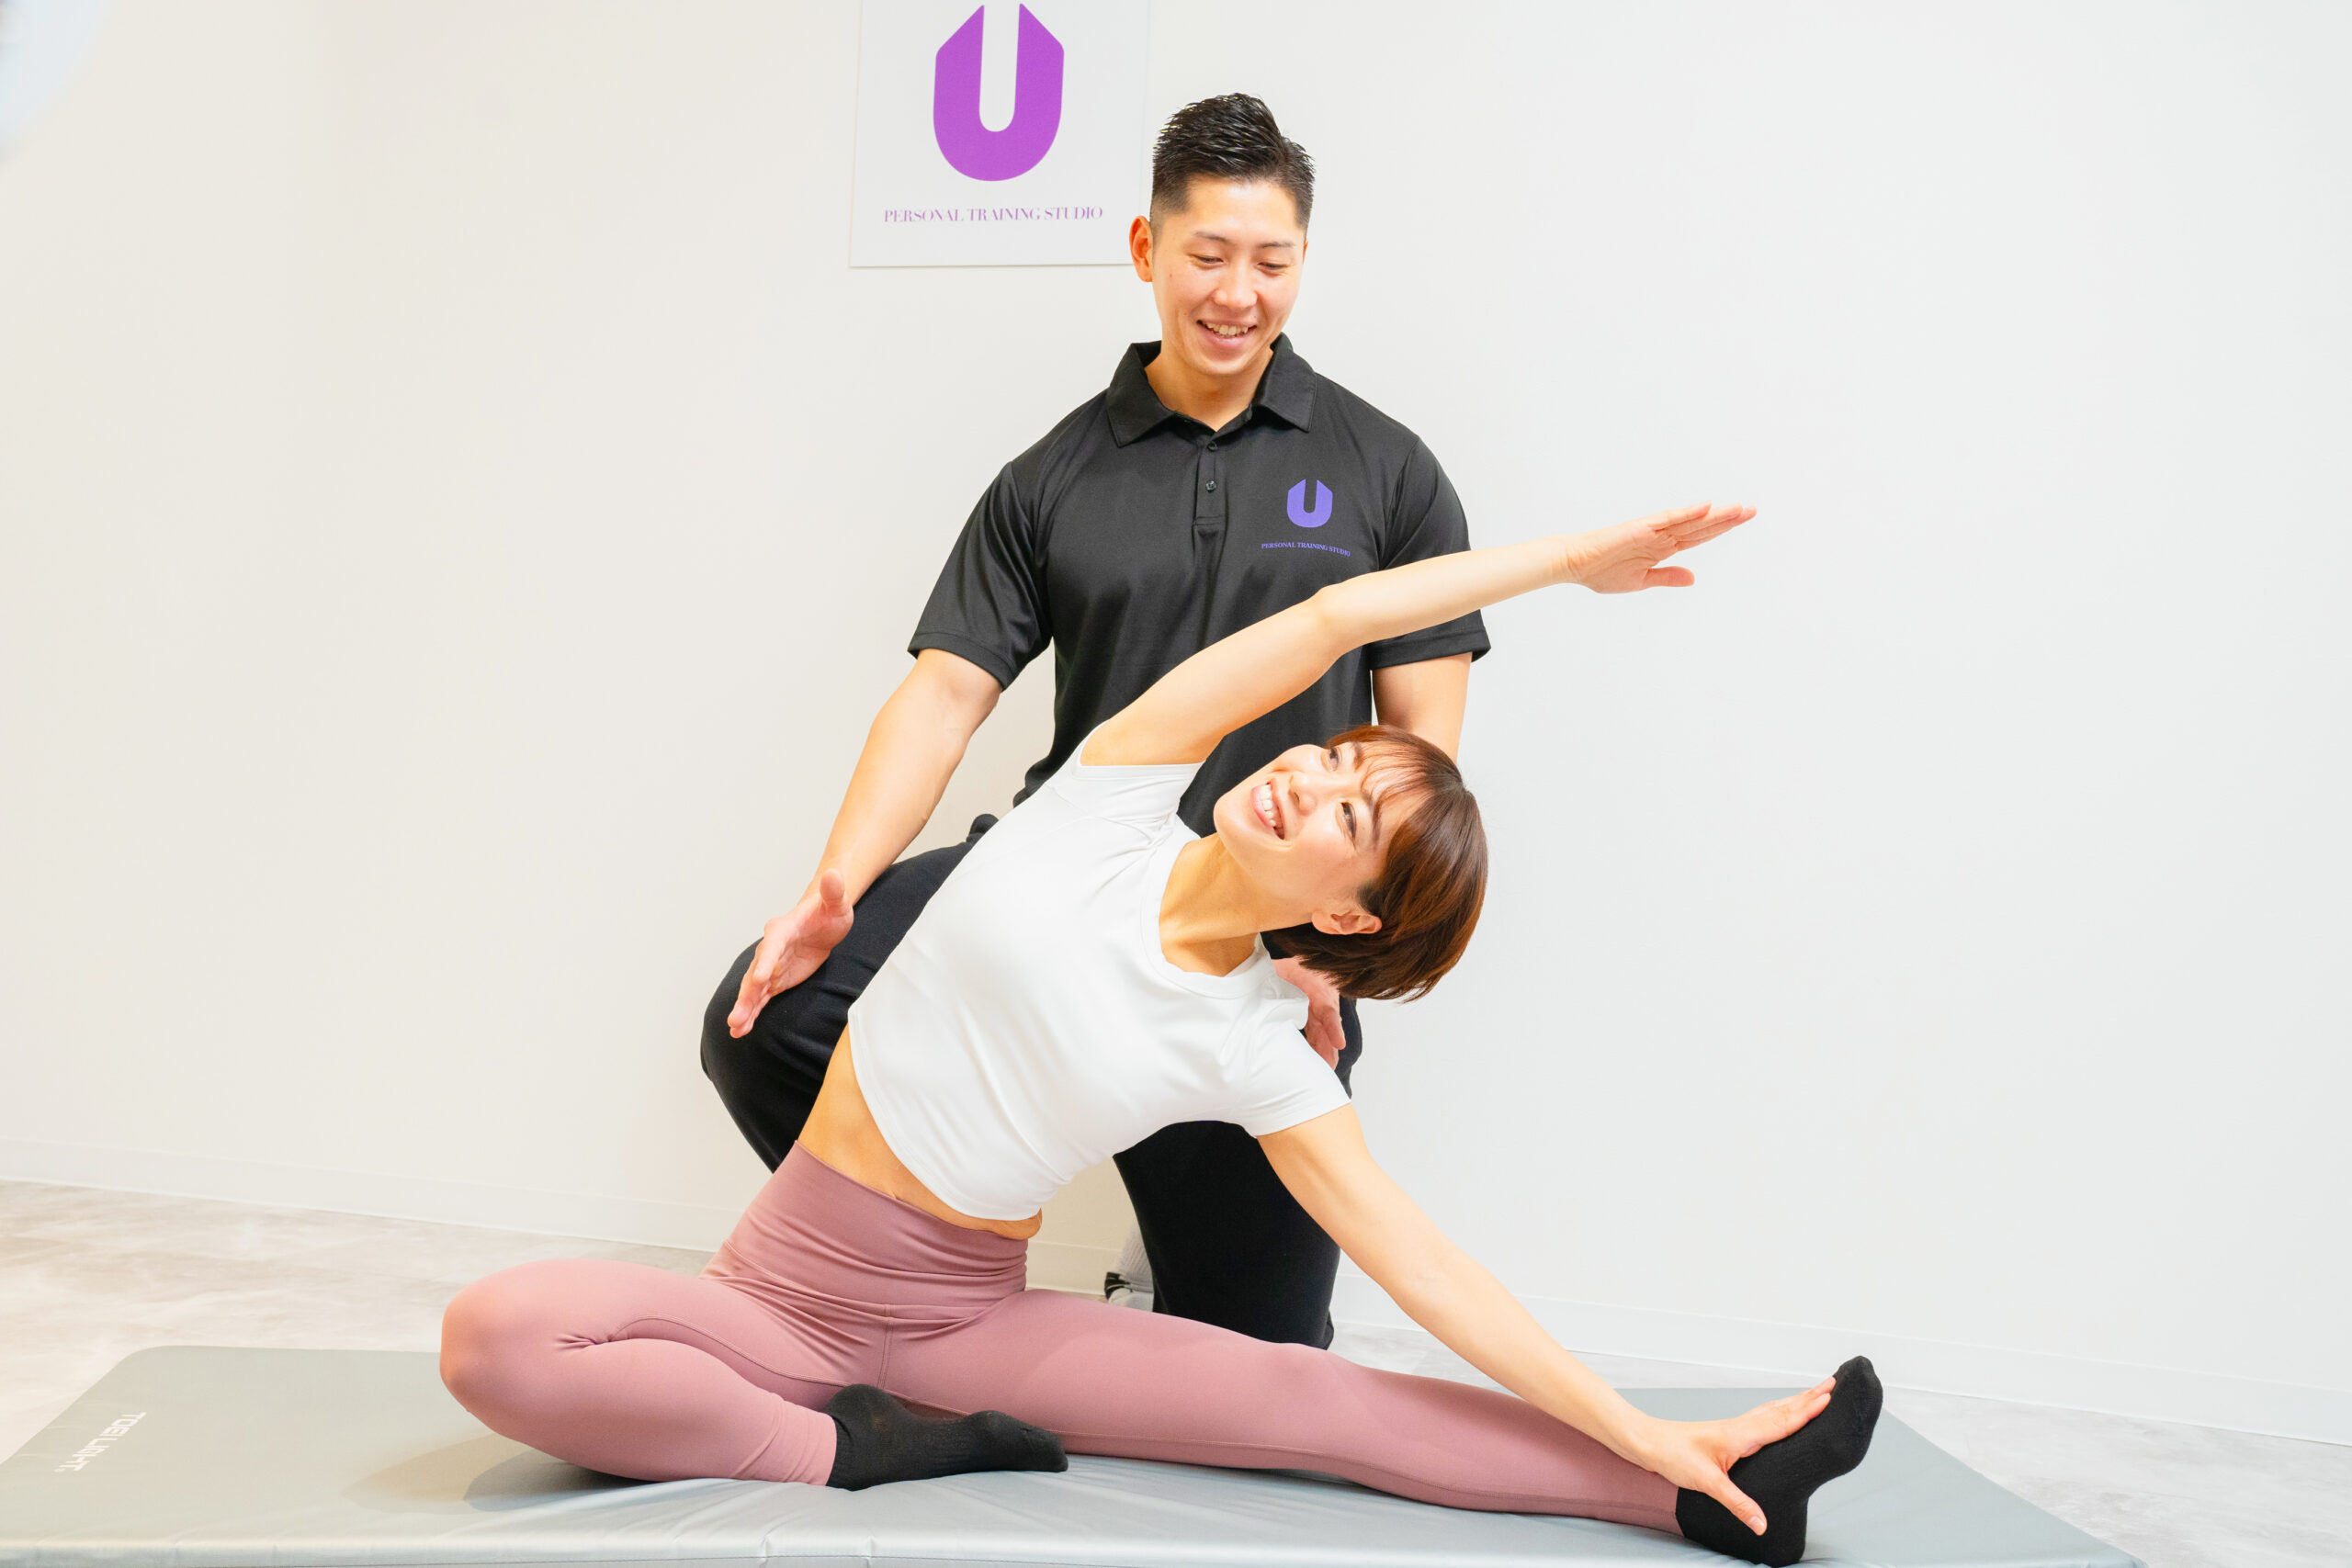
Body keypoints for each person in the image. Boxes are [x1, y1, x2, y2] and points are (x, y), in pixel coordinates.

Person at [442, 502, 1886, 1568]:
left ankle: (1702, 1496)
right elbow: (1332, 622)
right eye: (1336, 756)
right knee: (497, 1339)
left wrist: (1645, 1431)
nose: (1307, 776)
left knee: (1313, 1400)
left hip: (969, 1326)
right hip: (782, 1290)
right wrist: (1567, 563)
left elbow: (1424, 1266)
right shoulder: (1110, 797)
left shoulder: (1259, 1042)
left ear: (1351, 912)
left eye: (1349, 814)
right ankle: (844, 1448)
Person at [700, 93, 1488, 1349]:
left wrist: (1328, 951)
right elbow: (946, 691)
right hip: (1065, 883)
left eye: (1272, 262)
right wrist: (837, 882)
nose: (1238, 294)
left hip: (1252, 935)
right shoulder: (1053, 476)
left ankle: (1154, 1271)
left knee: (1263, 1354)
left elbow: (1420, 757)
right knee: (769, 1019)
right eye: (1208, 256)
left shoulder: (1389, 471)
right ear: (1145, 249)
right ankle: (919, 1294)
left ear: (1303, 262)